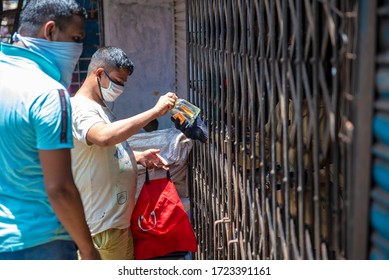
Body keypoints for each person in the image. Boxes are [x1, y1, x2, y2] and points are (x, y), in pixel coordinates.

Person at [0, 0, 100, 260]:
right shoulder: (49, 94)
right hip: (42, 242)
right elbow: (60, 188)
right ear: (51, 31)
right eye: (76, 38)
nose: (78, 48)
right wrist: (89, 251)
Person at [70, 46, 178, 260]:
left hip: (116, 223)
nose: (120, 87)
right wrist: (155, 112)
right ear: (99, 74)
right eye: (118, 81)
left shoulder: (99, 107)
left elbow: (104, 151)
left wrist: (137, 157)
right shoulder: (80, 108)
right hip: (102, 228)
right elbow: (104, 137)